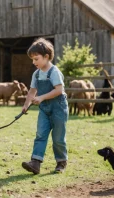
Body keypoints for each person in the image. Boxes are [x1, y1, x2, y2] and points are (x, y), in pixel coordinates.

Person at [21, 38, 68, 174]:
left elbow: (59, 90)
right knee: (40, 134)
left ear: (46, 57)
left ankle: (61, 162)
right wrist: (26, 105)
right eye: (32, 59)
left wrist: (41, 97)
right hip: (44, 109)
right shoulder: (36, 74)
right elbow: (32, 91)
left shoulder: (54, 72)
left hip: (58, 108)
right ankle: (35, 163)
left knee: (58, 137)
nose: (33, 62)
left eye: (36, 59)